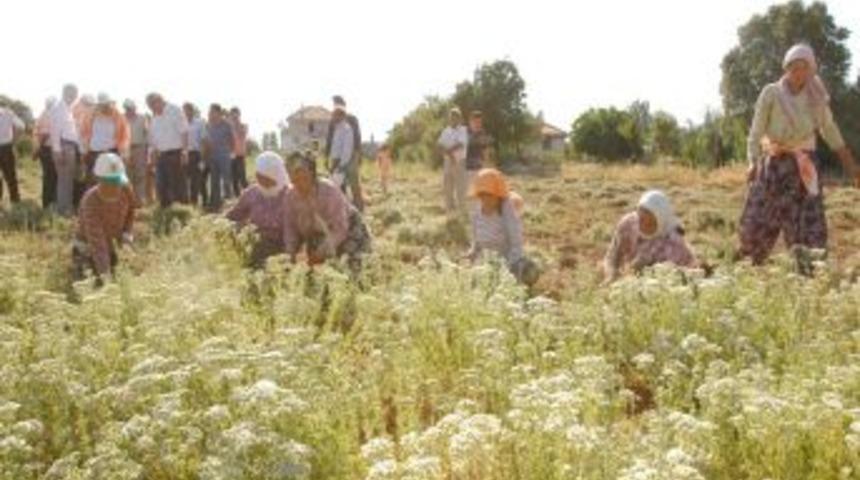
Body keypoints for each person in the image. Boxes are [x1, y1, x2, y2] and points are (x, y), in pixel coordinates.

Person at [739, 44, 860, 266]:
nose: (798, 72)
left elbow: (830, 131)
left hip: (804, 168)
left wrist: (851, 166)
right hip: (773, 166)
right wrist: (752, 162)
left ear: (811, 69)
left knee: (807, 226)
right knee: (757, 220)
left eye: (804, 67)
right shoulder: (771, 93)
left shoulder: (816, 98)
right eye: (794, 67)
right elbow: (755, 132)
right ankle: (749, 265)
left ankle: (808, 271)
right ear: (786, 68)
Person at [283, 153, 371, 272]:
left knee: (351, 268)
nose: (300, 184)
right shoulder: (290, 197)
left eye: (304, 178)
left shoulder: (328, 191)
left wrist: (321, 253)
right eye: (295, 179)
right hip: (319, 235)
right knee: (313, 273)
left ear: (312, 173)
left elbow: (340, 228)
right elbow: (290, 229)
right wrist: (290, 253)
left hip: (348, 228)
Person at [465, 168, 539, 286]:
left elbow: (516, 245)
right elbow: (476, 242)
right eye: (482, 195)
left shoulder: (507, 211)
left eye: (489, 195)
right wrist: (472, 253)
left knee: (528, 272)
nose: (485, 199)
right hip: (486, 260)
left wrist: (506, 267)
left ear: (498, 195)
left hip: (508, 259)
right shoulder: (476, 212)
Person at [603, 190, 697, 282]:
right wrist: (612, 274)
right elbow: (612, 255)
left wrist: (644, 269)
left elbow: (671, 280)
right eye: (641, 220)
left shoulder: (673, 245)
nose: (643, 227)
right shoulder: (628, 224)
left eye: (650, 224)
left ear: (661, 222)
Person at [72, 152, 136, 286]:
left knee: (127, 274)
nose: (116, 186)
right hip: (88, 248)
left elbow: (131, 211)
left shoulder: (126, 189)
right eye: (112, 182)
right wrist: (107, 281)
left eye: (117, 181)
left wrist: (127, 235)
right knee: (89, 284)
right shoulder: (90, 202)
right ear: (99, 179)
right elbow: (97, 244)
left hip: (112, 245)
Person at [226, 151, 290, 267]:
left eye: (267, 178)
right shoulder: (252, 193)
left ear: (277, 176)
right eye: (259, 177)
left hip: (284, 250)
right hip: (255, 245)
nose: (262, 182)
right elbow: (233, 216)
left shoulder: (291, 196)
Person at [146, 93, 189, 208]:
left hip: (175, 154)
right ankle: (166, 214)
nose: (152, 109)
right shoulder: (154, 118)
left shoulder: (174, 110)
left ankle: (182, 212)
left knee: (177, 187)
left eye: (152, 106)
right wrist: (152, 155)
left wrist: (184, 151)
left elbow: (184, 131)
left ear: (159, 101)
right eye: (150, 107)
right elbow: (153, 139)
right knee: (161, 187)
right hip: (161, 156)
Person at [80, 93, 130, 189]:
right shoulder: (89, 116)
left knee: (115, 179)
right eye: (101, 105)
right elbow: (83, 134)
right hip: (94, 153)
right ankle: (94, 202)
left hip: (113, 152)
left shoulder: (118, 117)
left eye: (106, 104)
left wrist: (124, 153)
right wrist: (83, 151)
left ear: (110, 104)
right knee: (92, 180)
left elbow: (125, 136)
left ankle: (114, 202)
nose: (104, 107)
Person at [325, 95, 364, 211]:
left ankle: (359, 208)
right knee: (338, 184)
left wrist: (357, 155)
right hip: (337, 157)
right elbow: (330, 139)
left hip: (351, 155)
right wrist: (328, 157)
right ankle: (342, 209)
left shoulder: (352, 119)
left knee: (354, 183)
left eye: (337, 103)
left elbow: (357, 138)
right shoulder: (333, 121)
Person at [49, 84, 81, 216]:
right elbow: (55, 131)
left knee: (67, 179)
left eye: (75, 93)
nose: (74, 96)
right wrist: (57, 151)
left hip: (69, 146)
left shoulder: (67, 109)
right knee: (64, 180)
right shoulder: (59, 108)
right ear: (65, 92)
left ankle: (65, 208)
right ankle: (64, 210)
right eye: (72, 93)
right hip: (64, 147)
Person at [204, 104, 235, 211]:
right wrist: (206, 156)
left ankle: (230, 204)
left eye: (212, 111)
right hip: (213, 156)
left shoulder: (226, 124)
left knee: (226, 179)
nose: (210, 114)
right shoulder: (208, 125)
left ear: (218, 112)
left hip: (224, 155)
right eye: (210, 112)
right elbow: (207, 142)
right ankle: (216, 204)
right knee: (214, 181)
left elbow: (232, 139)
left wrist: (232, 152)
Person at [437, 107, 469, 214]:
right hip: (447, 162)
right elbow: (440, 145)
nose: (453, 119)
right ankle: (450, 211)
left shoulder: (463, 129)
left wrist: (449, 152)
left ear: (459, 118)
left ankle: (462, 212)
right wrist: (450, 155)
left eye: (456, 117)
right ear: (449, 118)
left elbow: (461, 144)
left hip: (460, 162)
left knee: (461, 187)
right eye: (451, 117)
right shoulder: (445, 131)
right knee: (448, 186)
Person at [465, 111, 492, 216]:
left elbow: (486, 151)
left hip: (479, 168)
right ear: (470, 122)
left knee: (479, 193)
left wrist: (488, 167)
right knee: (469, 193)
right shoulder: (464, 133)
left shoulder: (482, 133)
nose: (477, 124)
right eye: (475, 122)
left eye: (479, 122)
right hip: (466, 168)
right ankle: (470, 216)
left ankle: (478, 216)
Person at [124, 99, 149, 205]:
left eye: (131, 108)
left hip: (139, 148)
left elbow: (147, 133)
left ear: (135, 108)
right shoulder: (122, 118)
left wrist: (146, 149)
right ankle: (129, 200)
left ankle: (140, 200)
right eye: (127, 108)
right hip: (126, 149)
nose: (129, 110)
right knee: (127, 175)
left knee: (140, 175)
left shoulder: (142, 118)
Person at [34, 97, 58, 209]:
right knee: (51, 178)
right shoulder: (50, 114)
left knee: (49, 177)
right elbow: (45, 134)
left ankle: (48, 203)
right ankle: (48, 204)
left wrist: (37, 150)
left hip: (46, 149)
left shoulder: (44, 113)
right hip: (48, 149)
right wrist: (38, 149)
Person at [0, 104, 26, 205]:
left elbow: (21, 127)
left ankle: (14, 201)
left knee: (10, 176)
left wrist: (13, 141)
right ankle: (15, 201)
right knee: (11, 176)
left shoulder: (8, 113)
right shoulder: (8, 112)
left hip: (7, 147)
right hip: (7, 147)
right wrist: (14, 140)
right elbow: (21, 126)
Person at [184, 103, 208, 207]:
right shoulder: (181, 123)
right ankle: (188, 203)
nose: (186, 112)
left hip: (195, 154)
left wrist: (202, 159)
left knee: (196, 180)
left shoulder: (199, 123)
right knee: (185, 181)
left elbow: (203, 141)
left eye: (188, 110)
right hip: (184, 154)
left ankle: (196, 203)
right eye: (184, 110)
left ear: (192, 111)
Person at [328, 107, 355, 195]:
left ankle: (343, 207)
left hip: (340, 162)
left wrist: (341, 165)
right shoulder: (337, 128)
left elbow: (347, 149)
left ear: (341, 116)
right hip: (335, 161)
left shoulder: (346, 129)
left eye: (335, 115)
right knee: (337, 189)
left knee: (338, 190)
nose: (333, 117)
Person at [229, 107, 249, 195]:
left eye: (235, 114)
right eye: (232, 114)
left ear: (239, 115)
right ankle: (237, 197)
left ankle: (249, 195)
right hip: (231, 156)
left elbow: (241, 135)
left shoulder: (243, 125)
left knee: (242, 178)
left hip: (240, 155)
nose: (234, 116)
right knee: (234, 179)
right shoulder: (229, 127)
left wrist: (234, 125)